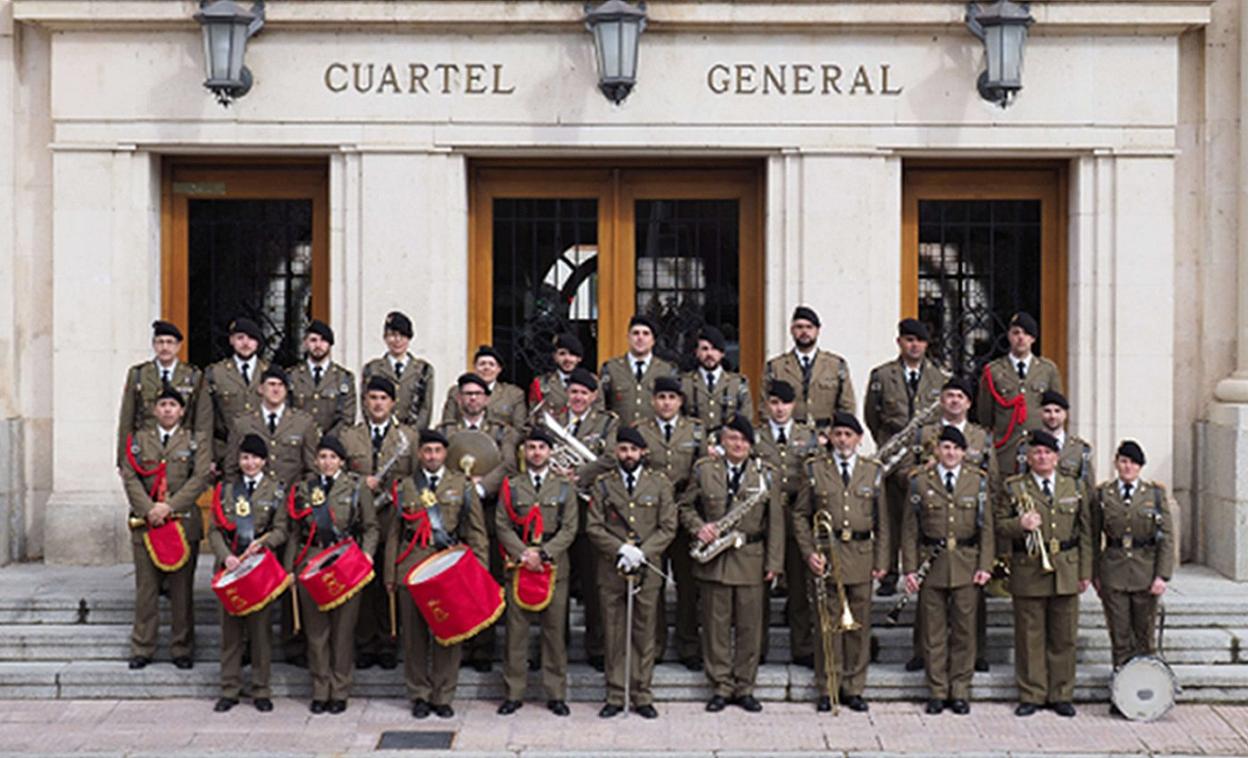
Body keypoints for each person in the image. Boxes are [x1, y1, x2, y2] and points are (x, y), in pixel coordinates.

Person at [680, 414, 783, 713]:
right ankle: (721, 686)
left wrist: (774, 563)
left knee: (750, 630)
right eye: (731, 438)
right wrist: (699, 527)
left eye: (742, 440)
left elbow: (776, 522)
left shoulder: (767, 474)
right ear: (722, 441)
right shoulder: (704, 470)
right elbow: (685, 506)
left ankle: (745, 687)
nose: (737, 444)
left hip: (751, 558)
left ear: (751, 445)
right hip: (715, 560)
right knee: (716, 628)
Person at [384, 429, 488, 719]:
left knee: (448, 633)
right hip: (412, 565)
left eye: (437, 451)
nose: (432, 456)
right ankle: (419, 693)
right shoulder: (405, 486)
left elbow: (476, 531)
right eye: (427, 451)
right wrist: (389, 574)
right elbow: (393, 533)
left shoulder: (462, 485)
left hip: (448, 566)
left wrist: (479, 570)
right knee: (414, 637)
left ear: (446, 454)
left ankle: (443, 695)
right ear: (419, 454)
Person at [791, 412, 886, 713]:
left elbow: (883, 522)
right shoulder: (814, 469)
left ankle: (854, 687)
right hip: (826, 555)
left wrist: (882, 559)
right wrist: (809, 552)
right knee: (826, 626)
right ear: (830, 438)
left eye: (848, 434)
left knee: (858, 626)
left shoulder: (873, 470)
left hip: (860, 554)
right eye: (838, 434)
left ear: (859, 439)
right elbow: (800, 515)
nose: (843, 439)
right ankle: (827, 685)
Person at [996, 430, 1091, 718]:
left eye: (1047, 453)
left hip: (1065, 566)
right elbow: (998, 524)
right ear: (1029, 457)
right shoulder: (1014, 487)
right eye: (1037, 453)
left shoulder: (1074, 487)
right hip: (1029, 568)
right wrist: (1019, 524)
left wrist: (1085, 571)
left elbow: (1086, 532)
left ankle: (1061, 693)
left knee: (1064, 636)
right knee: (1029, 636)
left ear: (1057, 457)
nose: (1042, 457)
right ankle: (1032, 694)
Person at [906, 376, 997, 673]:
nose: (955, 401)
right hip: (933, 522)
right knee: (929, 605)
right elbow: (905, 472)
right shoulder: (924, 435)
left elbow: (991, 482)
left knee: (970, 605)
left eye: (960, 396)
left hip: (969, 525)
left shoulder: (981, 437)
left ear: (969, 402)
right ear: (941, 400)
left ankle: (977, 654)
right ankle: (924, 653)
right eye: (949, 395)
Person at [901, 427, 994, 715]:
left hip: (967, 563)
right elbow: (909, 529)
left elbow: (986, 528)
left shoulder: (977, 481)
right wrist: (910, 570)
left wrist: (985, 565)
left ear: (964, 452)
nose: (950, 453)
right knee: (934, 632)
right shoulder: (919, 482)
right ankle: (937, 690)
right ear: (937, 451)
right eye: (945, 448)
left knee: (965, 632)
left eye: (956, 448)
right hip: (932, 565)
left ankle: (960, 690)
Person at [585, 427, 677, 719]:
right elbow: (594, 527)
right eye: (623, 450)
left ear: (643, 453)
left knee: (643, 632)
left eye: (633, 450)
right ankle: (615, 693)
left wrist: (643, 552)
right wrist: (620, 549)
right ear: (616, 452)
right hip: (612, 569)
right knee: (613, 633)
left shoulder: (659, 483)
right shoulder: (603, 485)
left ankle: (642, 693)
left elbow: (668, 526)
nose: (628, 455)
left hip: (646, 570)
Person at [285, 436, 379, 715]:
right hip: (312, 562)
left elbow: (371, 526)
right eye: (323, 456)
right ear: (316, 460)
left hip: (345, 563)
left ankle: (340, 689)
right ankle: (320, 688)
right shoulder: (304, 488)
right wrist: (291, 568)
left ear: (341, 461)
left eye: (332, 457)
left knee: (343, 631)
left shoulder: (356, 487)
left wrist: (367, 555)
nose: (327, 462)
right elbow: (294, 531)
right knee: (316, 632)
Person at [119, 387, 211, 670]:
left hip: (182, 522)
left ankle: (182, 647)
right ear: (154, 410)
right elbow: (130, 475)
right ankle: (143, 646)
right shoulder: (137, 441)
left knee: (182, 590)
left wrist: (168, 508)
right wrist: (149, 510)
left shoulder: (195, 441)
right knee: (146, 589)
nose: (168, 409)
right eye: (163, 405)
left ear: (182, 411)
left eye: (174, 405)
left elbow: (200, 477)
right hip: (147, 524)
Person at [438, 372, 521, 672]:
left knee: (487, 579)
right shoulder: (446, 431)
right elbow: (437, 463)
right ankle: (459, 643)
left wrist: (482, 487)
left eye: (477, 394)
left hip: (489, 514)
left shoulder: (502, 432)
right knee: (456, 581)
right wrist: (460, 488)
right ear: (459, 399)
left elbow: (509, 464)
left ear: (487, 399)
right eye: (467, 394)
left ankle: (484, 647)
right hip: (453, 516)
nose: (472, 399)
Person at [496, 429, 579, 717]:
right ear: (524, 452)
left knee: (554, 633)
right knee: (516, 634)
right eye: (530, 447)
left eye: (541, 447)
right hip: (520, 565)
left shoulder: (564, 486)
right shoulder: (512, 485)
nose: (536, 452)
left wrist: (543, 554)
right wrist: (523, 554)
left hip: (553, 567)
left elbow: (570, 528)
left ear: (550, 451)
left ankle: (555, 693)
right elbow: (502, 524)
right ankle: (514, 692)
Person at [864, 319, 949, 597]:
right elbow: (872, 416)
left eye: (920, 341)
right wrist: (888, 446)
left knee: (926, 516)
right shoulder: (882, 375)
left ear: (927, 344)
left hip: (926, 459)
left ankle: (922, 570)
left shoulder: (940, 378)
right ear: (899, 342)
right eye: (909, 340)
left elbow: (944, 420)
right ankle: (888, 573)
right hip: (895, 457)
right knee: (890, 516)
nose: (914, 345)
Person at [1091, 440, 1175, 713]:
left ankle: (1147, 693)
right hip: (1114, 571)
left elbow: (1167, 539)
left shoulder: (1155, 495)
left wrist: (1162, 575)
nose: (1128, 467)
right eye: (1124, 461)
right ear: (1116, 463)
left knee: (1144, 637)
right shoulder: (1104, 495)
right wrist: (1094, 573)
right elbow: (1093, 537)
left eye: (1133, 463)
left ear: (1140, 467)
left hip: (1145, 572)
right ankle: (1121, 693)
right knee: (1120, 636)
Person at [341, 375, 418, 671]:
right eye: (372, 398)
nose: (377, 403)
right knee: (362, 583)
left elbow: (412, 476)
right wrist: (362, 483)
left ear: (393, 403)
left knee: (389, 581)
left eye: (383, 398)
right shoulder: (350, 436)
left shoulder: (408, 437)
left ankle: (388, 642)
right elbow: (339, 473)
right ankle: (365, 643)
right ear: (365, 401)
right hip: (359, 521)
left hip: (393, 520)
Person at [544, 367, 618, 670]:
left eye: (583, 393)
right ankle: (553, 646)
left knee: (592, 583)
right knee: (555, 584)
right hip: (556, 513)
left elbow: (611, 457)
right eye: (573, 392)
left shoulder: (606, 423)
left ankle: (596, 647)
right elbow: (536, 453)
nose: (577, 397)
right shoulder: (553, 422)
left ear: (594, 396)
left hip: (589, 513)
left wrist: (577, 474)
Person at [208, 433, 288, 713]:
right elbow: (214, 530)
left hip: (259, 570)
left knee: (260, 633)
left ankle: (261, 689)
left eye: (255, 458)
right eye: (245, 458)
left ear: (264, 461)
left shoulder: (276, 490)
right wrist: (225, 557)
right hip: (231, 568)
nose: (250, 463)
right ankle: (229, 688)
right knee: (231, 633)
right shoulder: (226, 490)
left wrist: (264, 543)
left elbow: (281, 530)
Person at [639, 376, 706, 670]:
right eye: (661, 397)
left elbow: (703, 471)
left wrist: (684, 502)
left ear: (680, 401)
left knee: (687, 585)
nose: (666, 402)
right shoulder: (641, 430)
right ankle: (653, 647)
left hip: (684, 515)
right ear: (653, 400)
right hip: (651, 518)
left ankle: (688, 645)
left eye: (672, 397)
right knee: (652, 583)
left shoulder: (696, 431)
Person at [754, 380, 821, 668]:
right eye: (774, 403)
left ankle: (802, 646)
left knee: (798, 587)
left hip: (795, 516)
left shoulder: (809, 436)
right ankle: (757, 648)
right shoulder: (755, 437)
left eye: (784, 403)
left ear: (793, 405)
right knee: (758, 590)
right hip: (763, 518)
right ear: (766, 405)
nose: (779, 409)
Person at [976, 312, 1063, 478]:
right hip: (1006, 452)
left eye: (1026, 333)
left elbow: (1056, 409)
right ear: (1009, 336)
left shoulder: (1047, 370)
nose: (1021, 338)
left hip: (1038, 452)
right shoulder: (994, 371)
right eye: (1016, 333)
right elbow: (985, 415)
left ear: (1033, 338)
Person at [116, 319, 208, 465]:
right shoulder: (139, 374)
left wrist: (202, 458)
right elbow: (127, 419)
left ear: (178, 346)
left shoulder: (193, 376)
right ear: (154, 345)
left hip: (181, 453)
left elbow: (202, 421)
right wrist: (123, 458)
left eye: (170, 342)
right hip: (147, 451)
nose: (165, 347)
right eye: (160, 342)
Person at [223, 366, 318, 488]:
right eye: (272, 384)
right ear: (261, 389)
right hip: (253, 499)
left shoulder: (303, 423)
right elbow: (231, 467)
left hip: (290, 499)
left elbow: (312, 468)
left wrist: (302, 494)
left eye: (281, 385)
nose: (276, 390)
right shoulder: (242, 423)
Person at [761, 306, 855, 429]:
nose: (804, 332)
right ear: (791, 330)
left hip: (825, 436)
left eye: (809, 327)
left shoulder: (836, 365)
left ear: (817, 330)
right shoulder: (775, 367)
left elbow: (847, 406)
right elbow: (764, 407)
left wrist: (832, 435)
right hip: (789, 438)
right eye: (799, 327)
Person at [204, 316, 269, 467]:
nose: (246, 343)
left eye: (251, 338)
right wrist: (209, 456)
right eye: (240, 338)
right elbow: (206, 419)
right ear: (231, 340)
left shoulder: (269, 372)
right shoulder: (215, 373)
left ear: (258, 343)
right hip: (226, 452)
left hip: (264, 453)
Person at [597, 314, 678, 426]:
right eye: (635, 333)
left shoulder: (667, 370)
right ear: (628, 337)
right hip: (619, 438)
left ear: (653, 340)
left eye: (646, 334)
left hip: (653, 438)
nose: (640, 338)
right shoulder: (611, 368)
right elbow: (600, 406)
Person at [360, 311, 436, 430]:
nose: (397, 340)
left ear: (409, 337)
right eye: (392, 335)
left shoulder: (424, 369)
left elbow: (426, 408)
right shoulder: (372, 368)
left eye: (403, 335)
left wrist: (412, 434)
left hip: (412, 434)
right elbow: (366, 404)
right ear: (385, 337)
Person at [288, 319, 357, 438]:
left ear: (330, 344)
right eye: (313, 340)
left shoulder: (344, 378)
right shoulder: (292, 376)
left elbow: (347, 418)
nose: (318, 345)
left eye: (323, 340)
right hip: (299, 444)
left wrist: (328, 441)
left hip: (332, 447)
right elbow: (286, 413)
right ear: (305, 343)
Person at [1015, 390, 1095, 493]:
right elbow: (1019, 483)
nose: (1052, 416)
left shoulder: (1079, 449)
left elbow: (1088, 488)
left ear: (1065, 414)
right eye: (1047, 411)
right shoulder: (1026, 446)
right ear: (1040, 413)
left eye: (1057, 411)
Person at [682, 325, 753, 436]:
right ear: (696, 352)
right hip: (694, 447)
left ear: (722, 353)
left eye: (714, 349)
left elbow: (745, 419)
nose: (709, 354)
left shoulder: (738, 383)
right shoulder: (684, 383)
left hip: (729, 447)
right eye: (704, 349)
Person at [441, 345, 527, 430]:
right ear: (474, 367)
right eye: (482, 364)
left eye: (491, 364)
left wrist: (506, 444)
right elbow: (447, 425)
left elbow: (519, 429)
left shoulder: (513, 394)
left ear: (499, 369)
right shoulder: (456, 391)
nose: (486, 368)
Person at [528, 333, 586, 414]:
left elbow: (599, 418)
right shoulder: (541, 383)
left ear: (579, 358)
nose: (567, 359)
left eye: (572, 354)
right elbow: (533, 417)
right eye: (562, 354)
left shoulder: (593, 383)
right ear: (555, 357)